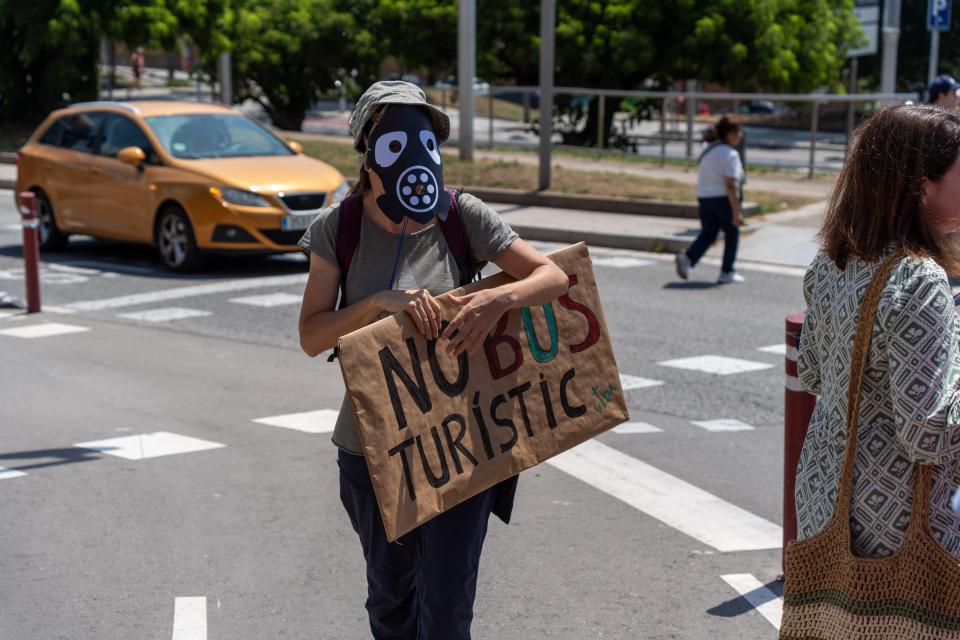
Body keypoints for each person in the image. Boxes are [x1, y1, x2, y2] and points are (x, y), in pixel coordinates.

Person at [297, 81, 568, 640]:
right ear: (369, 156)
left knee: (446, 612)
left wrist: (498, 297)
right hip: (371, 450)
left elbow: (553, 275)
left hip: (459, 445)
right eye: (398, 142)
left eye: (426, 141)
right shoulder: (339, 229)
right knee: (392, 603)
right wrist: (375, 304)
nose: (417, 158)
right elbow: (311, 335)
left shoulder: (460, 215)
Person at [796, 105, 960, 566]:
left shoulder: (832, 263)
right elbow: (927, 434)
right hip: (903, 528)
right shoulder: (919, 279)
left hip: (826, 501)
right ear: (922, 184)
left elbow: (811, 373)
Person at [674, 116, 746, 284]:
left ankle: (688, 258)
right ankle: (727, 271)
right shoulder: (731, 154)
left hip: (704, 197)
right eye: (738, 131)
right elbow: (731, 185)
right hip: (723, 199)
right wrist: (737, 213)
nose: (741, 135)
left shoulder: (708, 149)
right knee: (732, 234)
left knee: (709, 232)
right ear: (730, 134)